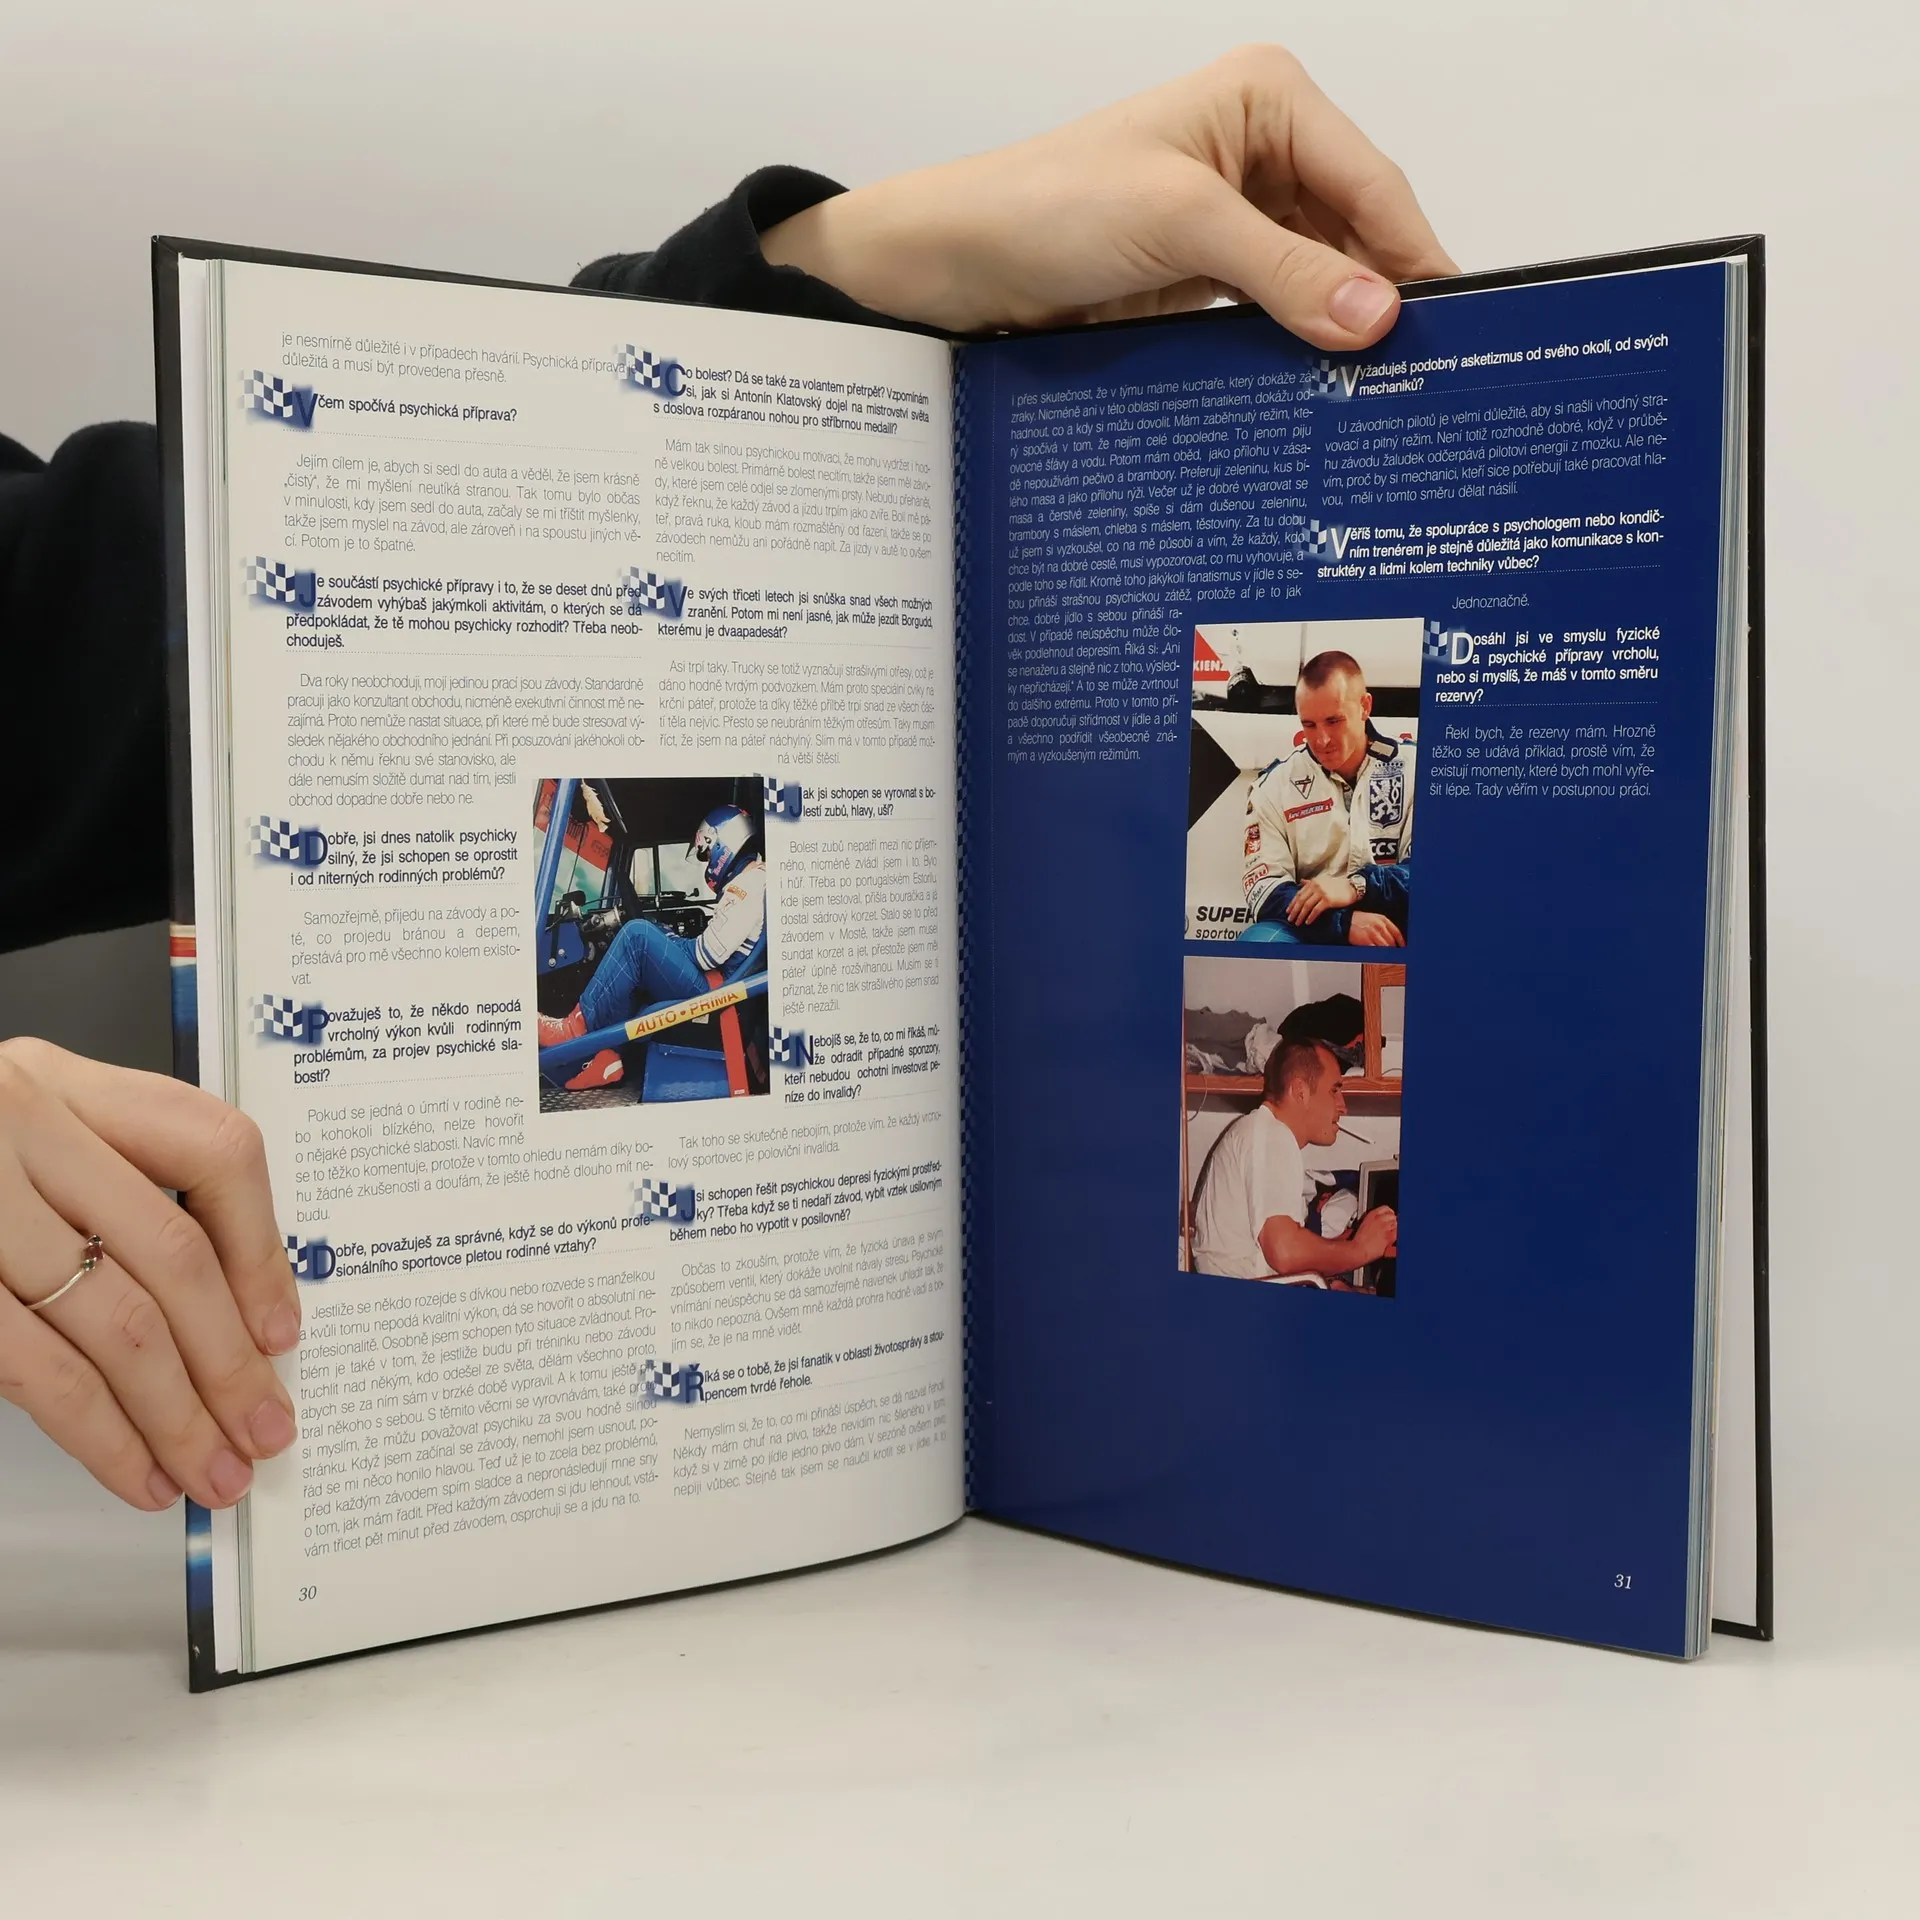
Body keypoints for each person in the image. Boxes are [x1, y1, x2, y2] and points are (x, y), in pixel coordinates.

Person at [0, 47, 1455, 1508]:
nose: (1330, 742)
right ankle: (588, 1042)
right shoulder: (1251, 824)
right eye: (1317, 723)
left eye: (1342, 725)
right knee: (637, 944)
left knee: (637, 946)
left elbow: (116, 611)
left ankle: (586, 1040)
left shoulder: (1350, 818)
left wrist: (850, 267)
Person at [539, 802, 766, 1089]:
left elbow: (706, 956)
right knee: (635, 971)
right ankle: (608, 1058)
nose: (708, 862)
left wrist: (668, 940)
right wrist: (668, 940)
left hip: (716, 992)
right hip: (721, 984)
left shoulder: (747, 886)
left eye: (708, 854)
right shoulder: (755, 879)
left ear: (724, 843)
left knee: (636, 936)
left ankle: (571, 1030)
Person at [1239, 649, 1413, 947]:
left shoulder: (1416, 769)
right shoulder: (1273, 786)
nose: (1321, 740)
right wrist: (1343, 923)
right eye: (1309, 725)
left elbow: (1434, 872)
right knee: (1261, 943)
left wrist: (1357, 886)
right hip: (1313, 928)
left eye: (1334, 721)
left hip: (1395, 924)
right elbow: (1265, 891)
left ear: (1365, 707)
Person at [1190, 1036, 1397, 1285]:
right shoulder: (1272, 1135)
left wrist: (1343, 1245)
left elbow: (1279, 1252)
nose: (1343, 1106)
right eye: (1334, 1090)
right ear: (1301, 1091)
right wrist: (1361, 1250)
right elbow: (1284, 1252)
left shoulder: (1262, 1132)